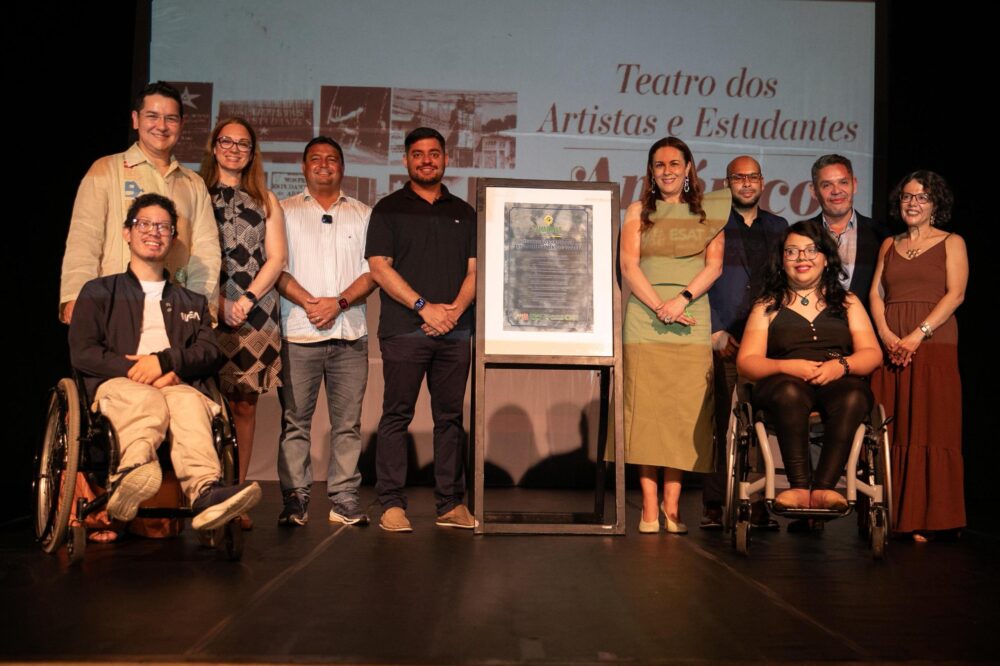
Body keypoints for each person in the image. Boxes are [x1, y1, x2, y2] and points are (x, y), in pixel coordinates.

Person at [68, 193, 261, 531]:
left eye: (163, 227)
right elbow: (83, 352)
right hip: (119, 385)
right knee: (146, 399)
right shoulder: (98, 291)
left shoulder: (192, 301)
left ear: (173, 238)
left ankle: (204, 492)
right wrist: (135, 370)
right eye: (144, 224)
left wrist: (164, 363)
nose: (154, 232)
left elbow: (209, 352)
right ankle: (134, 470)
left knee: (189, 402)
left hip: (175, 384)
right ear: (127, 232)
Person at [365, 127, 477, 532]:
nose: (426, 160)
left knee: (450, 418)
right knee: (396, 415)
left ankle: (450, 504)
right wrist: (423, 308)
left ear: (445, 158)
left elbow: (475, 271)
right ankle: (392, 504)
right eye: (417, 154)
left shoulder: (465, 211)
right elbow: (379, 267)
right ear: (406, 161)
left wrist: (453, 311)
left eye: (433, 153)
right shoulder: (388, 209)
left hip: (456, 331)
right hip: (404, 330)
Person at [619, 137, 727, 534]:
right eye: (659, 164)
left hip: (691, 317)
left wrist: (680, 300)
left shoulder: (709, 213)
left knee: (683, 415)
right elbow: (629, 266)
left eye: (674, 163)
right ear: (651, 171)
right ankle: (649, 509)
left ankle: (673, 506)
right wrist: (659, 306)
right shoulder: (636, 211)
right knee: (646, 414)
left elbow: (714, 267)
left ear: (688, 169)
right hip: (644, 320)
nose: (667, 170)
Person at [737, 220, 882, 510]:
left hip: (837, 379)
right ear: (782, 260)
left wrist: (840, 365)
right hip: (782, 384)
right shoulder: (767, 305)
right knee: (790, 393)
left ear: (826, 258)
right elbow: (747, 362)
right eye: (792, 252)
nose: (801, 258)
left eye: (810, 250)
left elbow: (871, 354)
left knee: (855, 396)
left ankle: (824, 489)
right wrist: (787, 367)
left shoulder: (848, 302)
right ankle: (799, 487)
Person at [275, 137, 376, 527]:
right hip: (297, 332)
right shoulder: (282, 212)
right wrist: (309, 301)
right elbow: (274, 267)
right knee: (294, 421)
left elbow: (374, 271)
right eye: (315, 159)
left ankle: (344, 497)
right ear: (303, 168)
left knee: (347, 423)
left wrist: (339, 302)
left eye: (332, 159)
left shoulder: (364, 214)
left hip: (349, 332)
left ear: (342, 168)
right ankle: (295, 498)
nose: (323, 165)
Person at [60, 81, 220, 323]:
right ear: (136, 119)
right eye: (152, 116)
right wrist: (76, 294)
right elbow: (84, 238)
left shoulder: (193, 183)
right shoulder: (106, 169)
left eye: (171, 118)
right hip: (113, 308)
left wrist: (198, 305)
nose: (162, 126)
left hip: (174, 314)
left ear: (182, 124)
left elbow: (206, 251)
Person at [198, 117, 287, 530]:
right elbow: (187, 259)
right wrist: (219, 302)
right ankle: (202, 490)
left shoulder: (266, 199)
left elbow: (277, 259)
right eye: (227, 142)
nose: (234, 149)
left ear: (252, 153)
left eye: (243, 144)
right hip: (203, 311)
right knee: (201, 405)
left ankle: (236, 494)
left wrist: (246, 300)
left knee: (244, 405)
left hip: (256, 315)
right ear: (214, 146)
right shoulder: (195, 193)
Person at [869, 171, 967, 541]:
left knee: (929, 424)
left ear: (935, 205)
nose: (913, 203)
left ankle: (928, 516)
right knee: (891, 425)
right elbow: (877, 294)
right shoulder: (889, 244)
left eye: (922, 198)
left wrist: (916, 336)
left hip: (933, 343)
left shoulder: (952, 242)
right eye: (907, 197)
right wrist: (887, 335)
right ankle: (890, 514)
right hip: (892, 343)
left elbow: (955, 295)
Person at [701, 155, 787, 530]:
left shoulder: (780, 226)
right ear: (728, 182)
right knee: (721, 422)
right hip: (725, 339)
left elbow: (787, 281)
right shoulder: (711, 224)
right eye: (739, 177)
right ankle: (715, 503)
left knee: (763, 424)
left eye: (753, 177)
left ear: (762, 182)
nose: (747, 183)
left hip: (766, 342)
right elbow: (698, 280)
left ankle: (757, 502)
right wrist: (716, 331)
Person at [807, 154, 888, 310]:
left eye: (843, 182)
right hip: (814, 330)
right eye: (826, 185)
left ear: (854, 184)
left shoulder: (880, 234)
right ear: (814, 191)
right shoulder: (801, 235)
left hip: (866, 330)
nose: (836, 191)